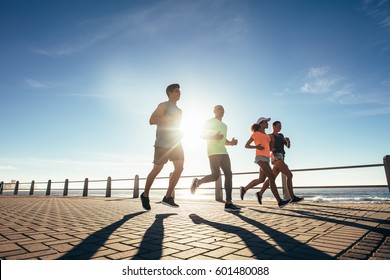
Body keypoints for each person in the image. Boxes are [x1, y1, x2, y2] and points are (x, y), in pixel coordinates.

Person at [140, 84, 184, 210]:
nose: (179, 93)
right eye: (176, 91)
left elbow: (175, 126)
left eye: (179, 91)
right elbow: (152, 120)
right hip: (162, 143)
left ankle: (168, 197)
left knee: (179, 168)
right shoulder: (163, 105)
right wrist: (168, 118)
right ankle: (145, 194)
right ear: (169, 93)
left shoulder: (180, 111)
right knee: (157, 169)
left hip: (176, 143)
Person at [190, 105, 241, 212]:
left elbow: (223, 140)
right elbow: (200, 135)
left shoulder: (224, 125)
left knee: (229, 174)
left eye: (223, 109)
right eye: (219, 109)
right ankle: (197, 182)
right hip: (213, 152)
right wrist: (213, 137)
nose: (221, 111)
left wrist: (231, 143)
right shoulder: (210, 122)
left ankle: (228, 202)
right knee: (215, 176)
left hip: (223, 152)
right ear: (214, 111)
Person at [240, 117, 290, 208]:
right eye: (266, 122)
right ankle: (279, 201)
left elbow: (269, 148)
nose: (267, 124)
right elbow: (246, 145)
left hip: (266, 158)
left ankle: (244, 189)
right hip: (260, 158)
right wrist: (256, 147)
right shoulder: (256, 134)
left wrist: (272, 147)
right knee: (271, 177)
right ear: (261, 124)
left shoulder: (267, 136)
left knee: (261, 180)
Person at [260, 121, 304, 203]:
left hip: (282, 156)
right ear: (273, 126)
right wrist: (271, 148)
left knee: (271, 178)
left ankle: (260, 193)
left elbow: (288, 146)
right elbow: (267, 147)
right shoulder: (270, 136)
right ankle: (292, 197)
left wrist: (288, 141)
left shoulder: (281, 135)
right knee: (289, 175)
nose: (280, 127)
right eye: (278, 126)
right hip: (276, 156)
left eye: (280, 126)